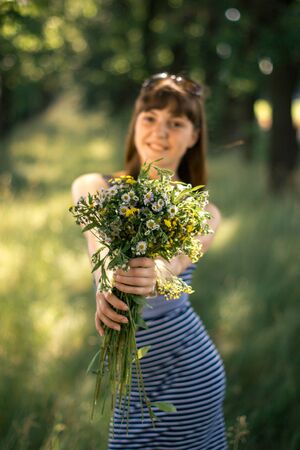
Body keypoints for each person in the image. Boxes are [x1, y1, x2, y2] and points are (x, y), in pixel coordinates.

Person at [72, 72, 227, 450]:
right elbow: (100, 245)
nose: (161, 131)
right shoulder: (94, 187)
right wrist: (109, 280)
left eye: (176, 123)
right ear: (135, 124)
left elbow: (172, 264)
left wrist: (156, 271)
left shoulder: (204, 211)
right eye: (150, 117)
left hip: (190, 372)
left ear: (193, 136)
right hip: (133, 374)